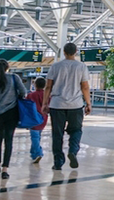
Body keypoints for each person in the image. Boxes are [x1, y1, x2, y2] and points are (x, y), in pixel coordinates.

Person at [42, 43, 92, 171]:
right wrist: (88, 103)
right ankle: (73, 151)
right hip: (75, 105)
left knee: (57, 134)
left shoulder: (55, 66)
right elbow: (85, 87)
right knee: (76, 130)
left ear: (64, 52)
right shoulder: (81, 67)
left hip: (57, 104)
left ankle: (58, 162)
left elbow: (48, 86)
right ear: (76, 52)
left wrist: (44, 103)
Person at [0, 59, 27, 179]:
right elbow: (23, 92)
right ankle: (5, 169)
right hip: (11, 113)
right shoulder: (14, 78)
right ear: (7, 67)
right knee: (9, 141)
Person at [26, 77, 49, 164]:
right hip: (43, 118)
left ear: (35, 85)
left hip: (33, 119)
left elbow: (26, 106)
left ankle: (39, 153)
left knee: (34, 137)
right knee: (37, 136)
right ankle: (33, 154)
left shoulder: (31, 95)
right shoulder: (47, 95)